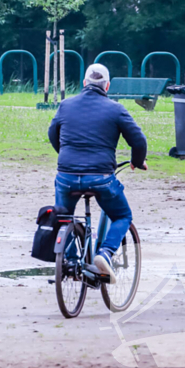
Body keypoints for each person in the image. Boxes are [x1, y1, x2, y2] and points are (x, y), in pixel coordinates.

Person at [48, 63, 147, 283]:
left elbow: (52, 134)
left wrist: (66, 156)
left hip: (66, 176)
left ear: (84, 83)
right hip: (101, 178)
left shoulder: (65, 105)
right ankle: (106, 254)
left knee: (65, 217)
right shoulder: (116, 109)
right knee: (122, 216)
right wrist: (137, 162)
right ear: (107, 86)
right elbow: (138, 140)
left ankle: (71, 261)